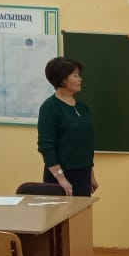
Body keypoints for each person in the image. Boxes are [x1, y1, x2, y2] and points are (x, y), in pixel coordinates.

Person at [37, 56, 99, 198]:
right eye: (75, 75)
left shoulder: (83, 108)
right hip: (60, 177)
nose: (80, 79)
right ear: (63, 80)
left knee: (82, 212)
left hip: (83, 175)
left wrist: (90, 174)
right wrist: (61, 178)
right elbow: (46, 146)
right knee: (62, 213)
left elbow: (85, 144)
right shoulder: (50, 107)